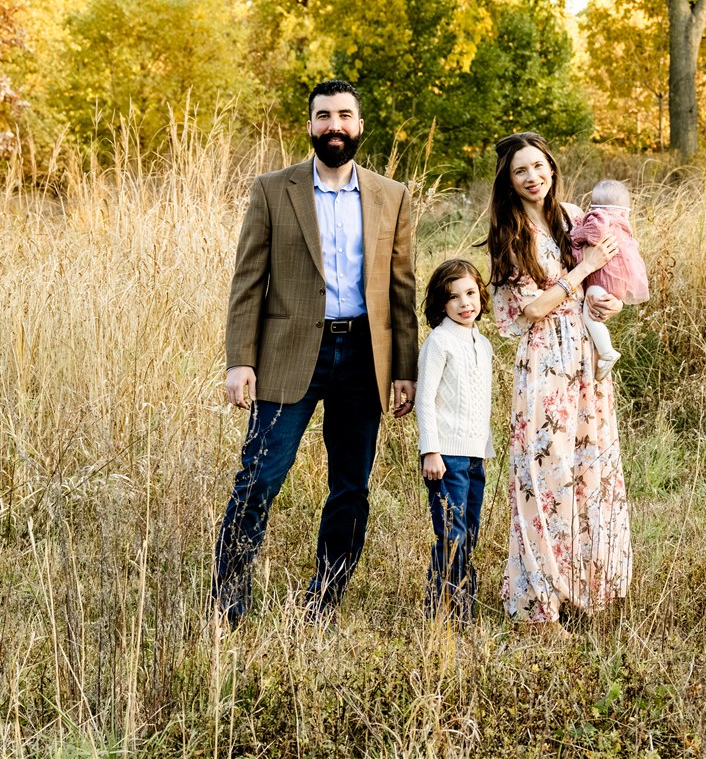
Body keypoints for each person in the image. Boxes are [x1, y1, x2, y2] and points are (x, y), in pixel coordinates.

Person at [212, 79, 418, 626]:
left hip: (363, 360)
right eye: (323, 116)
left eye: (344, 116)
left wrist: (404, 368)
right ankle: (228, 601)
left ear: (359, 125)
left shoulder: (390, 196)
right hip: (288, 354)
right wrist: (240, 360)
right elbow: (247, 281)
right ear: (310, 126)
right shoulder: (273, 189)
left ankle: (323, 599)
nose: (334, 126)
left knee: (351, 488)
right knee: (259, 475)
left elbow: (401, 288)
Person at [487, 131, 632, 631]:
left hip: (585, 361)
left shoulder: (572, 216)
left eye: (539, 166)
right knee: (545, 472)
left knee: (589, 469)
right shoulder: (509, 233)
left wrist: (605, 298)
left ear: (551, 166)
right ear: (508, 181)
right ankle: (542, 596)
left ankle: (587, 591)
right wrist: (582, 271)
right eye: (521, 171)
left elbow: (603, 283)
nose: (533, 177)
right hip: (545, 363)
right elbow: (530, 308)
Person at [415, 257, 495, 621]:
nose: (465, 304)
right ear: (441, 304)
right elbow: (425, 399)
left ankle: (462, 604)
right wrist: (430, 451)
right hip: (446, 456)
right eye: (454, 297)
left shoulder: (483, 344)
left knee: (469, 531)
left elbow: (479, 402)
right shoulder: (440, 341)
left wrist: (484, 450)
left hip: (474, 455)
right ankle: (445, 611)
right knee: (452, 532)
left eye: (470, 293)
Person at [569, 178, 651, 380]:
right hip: (619, 280)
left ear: (595, 205)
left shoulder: (598, 217)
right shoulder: (623, 224)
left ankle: (607, 352)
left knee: (590, 315)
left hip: (602, 278)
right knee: (595, 312)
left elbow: (594, 235)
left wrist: (575, 234)